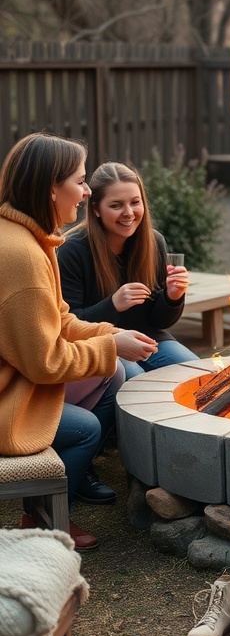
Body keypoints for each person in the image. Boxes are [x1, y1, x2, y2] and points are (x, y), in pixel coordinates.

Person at [0, 133, 158, 550]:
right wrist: (111, 348)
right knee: (87, 428)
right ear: (51, 188)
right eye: (80, 180)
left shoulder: (29, 237)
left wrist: (110, 334)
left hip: (16, 377)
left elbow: (59, 320)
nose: (86, 191)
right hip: (7, 397)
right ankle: (44, 526)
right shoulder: (22, 256)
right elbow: (44, 362)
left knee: (116, 373)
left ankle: (47, 506)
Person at [57, 161, 198, 384]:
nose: (129, 213)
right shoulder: (72, 251)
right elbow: (68, 324)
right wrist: (113, 304)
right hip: (103, 345)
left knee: (198, 375)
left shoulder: (153, 242)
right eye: (116, 205)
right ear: (95, 209)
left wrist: (172, 297)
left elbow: (158, 321)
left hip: (149, 339)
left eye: (135, 202)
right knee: (138, 385)